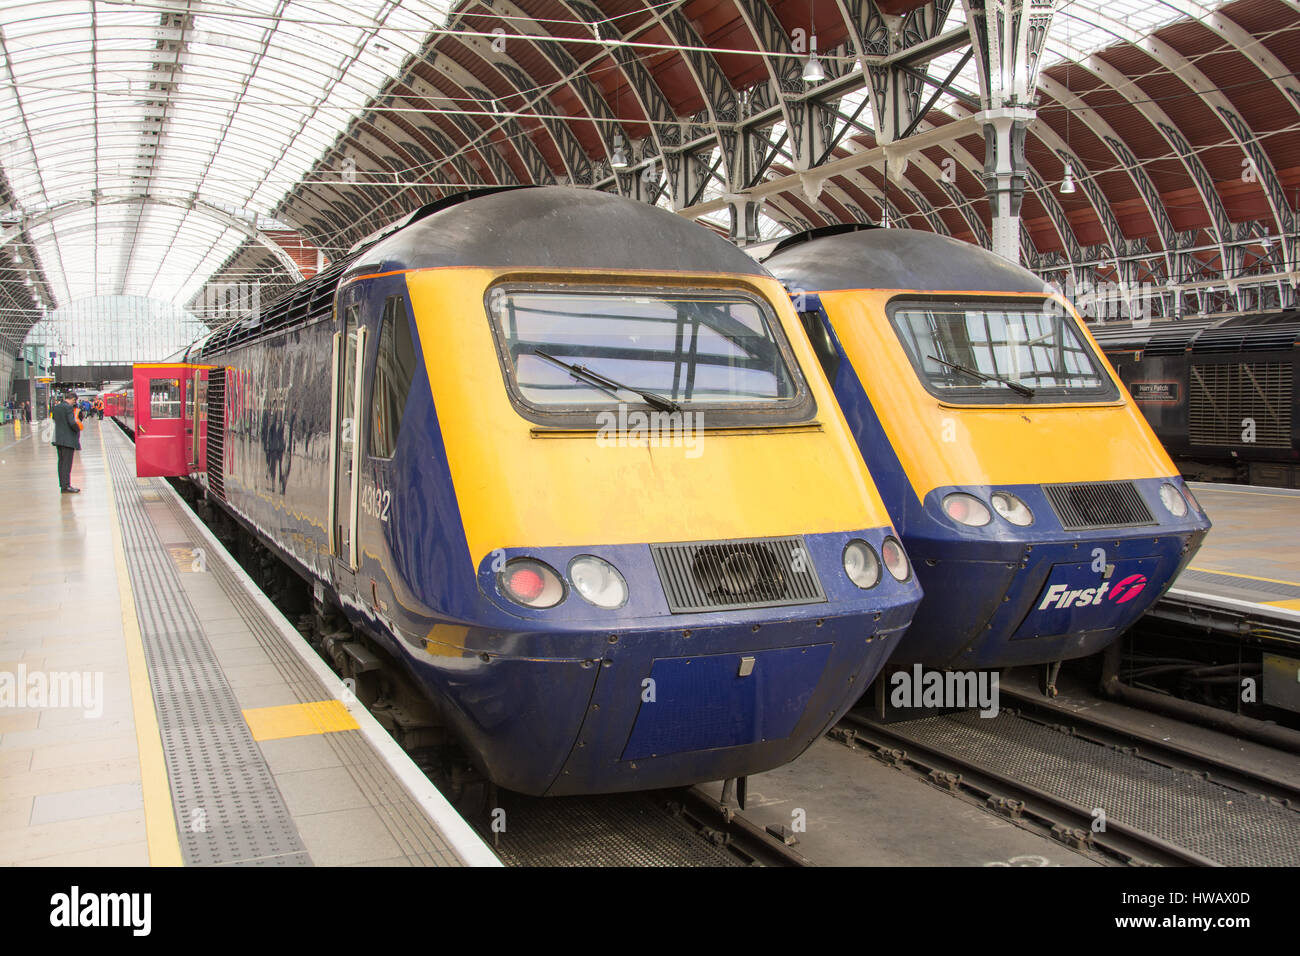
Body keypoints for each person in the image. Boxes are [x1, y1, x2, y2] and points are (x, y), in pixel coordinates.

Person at [52, 392, 84, 494]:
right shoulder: (68, 408)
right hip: (68, 440)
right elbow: (72, 422)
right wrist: (77, 429)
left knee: (61, 463)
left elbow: (55, 420)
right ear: (73, 399)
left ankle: (63, 485)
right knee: (67, 464)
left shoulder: (56, 407)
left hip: (59, 439)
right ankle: (66, 486)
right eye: (74, 401)